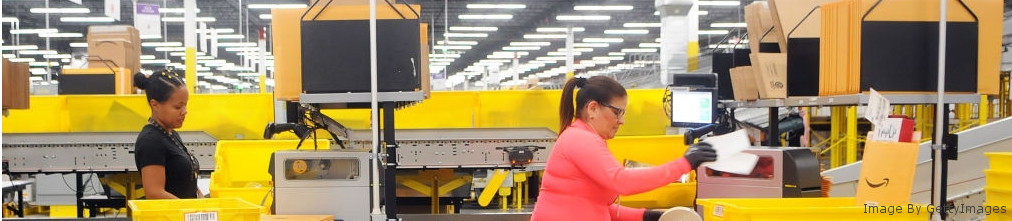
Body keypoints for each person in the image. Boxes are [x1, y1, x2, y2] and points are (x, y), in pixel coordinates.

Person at [530, 76, 717, 221]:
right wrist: (684, 164)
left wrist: (646, 216)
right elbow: (622, 181)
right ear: (593, 108)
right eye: (617, 112)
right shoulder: (580, 139)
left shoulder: (582, 137)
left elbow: (595, 206)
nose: (622, 121)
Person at [133, 70, 201, 199]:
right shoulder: (151, 141)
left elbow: (183, 181)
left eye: (185, 105)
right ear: (155, 105)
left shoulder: (171, 133)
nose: (184, 111)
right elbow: (154, 193)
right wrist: (189, 209)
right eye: (177, 107)